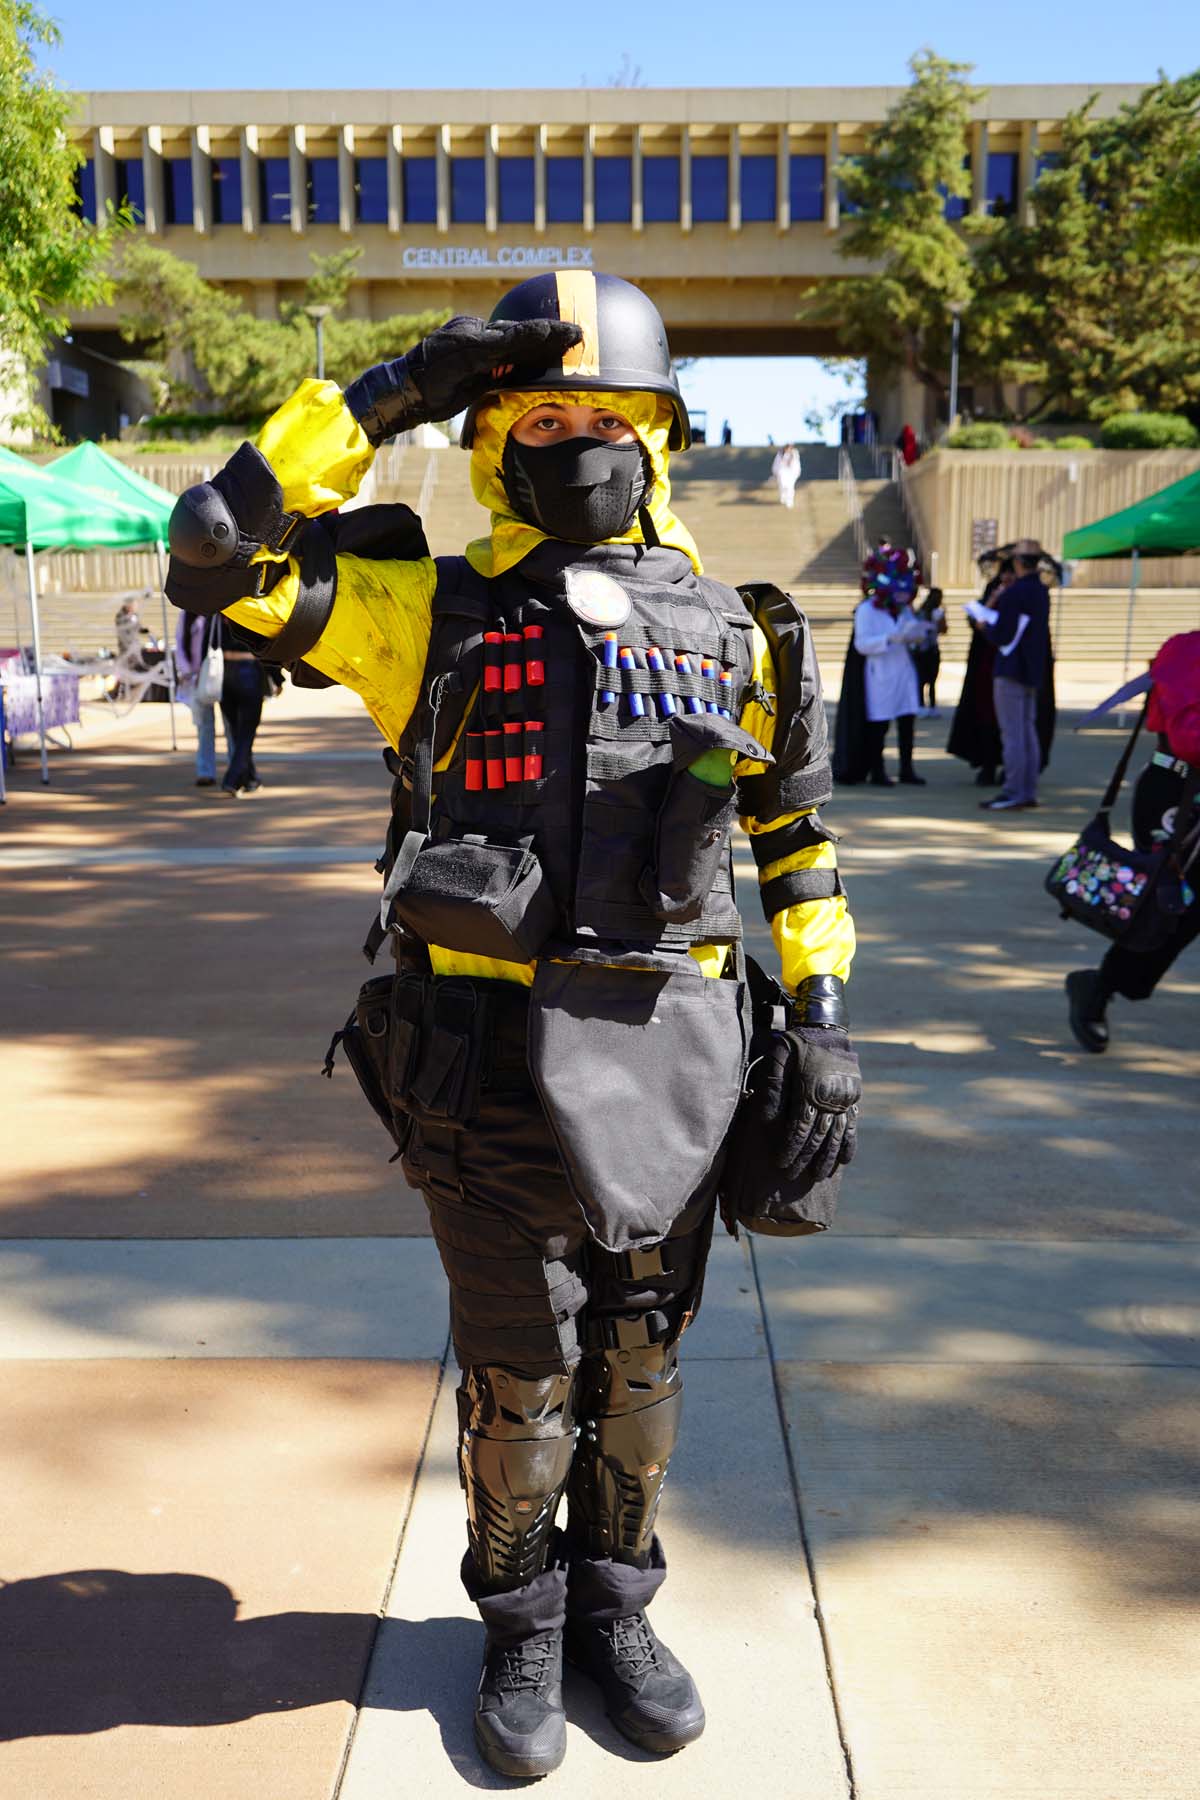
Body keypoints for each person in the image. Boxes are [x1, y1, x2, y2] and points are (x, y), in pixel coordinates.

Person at [163, 274, 861, 1780]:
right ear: (491, 444)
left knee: (642, 1369)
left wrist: (824, 1017)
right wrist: (393, 388)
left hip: (677, 1066)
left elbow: (795, 844)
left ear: (657, 436)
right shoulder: (429, 614)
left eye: (601, 414)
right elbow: (215, 554)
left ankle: (617, 1606)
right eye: (536, 413)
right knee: (523, 1387)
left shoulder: (746, 633)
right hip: (480, 1076)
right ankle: (522, 1620)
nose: (572, 436)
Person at [1066, 631, 1200, 1052]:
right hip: (1178, 799)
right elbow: (1189, 737)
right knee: (1168, 912)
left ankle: (1104, 985)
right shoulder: (1187, 648)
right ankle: (1100, 986)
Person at [967, 548, 1051, 812]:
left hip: (1011, 668)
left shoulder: (1016, 592)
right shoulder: (1040, 590)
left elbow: (1003, 634)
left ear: (1017, 563)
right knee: (1027, 732)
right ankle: (1027, 790)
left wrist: (984, 626)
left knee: (1014, 734)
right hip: (1030, 669)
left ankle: (1015, 791)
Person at [833, 570, 926, 785]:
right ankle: (877, 770)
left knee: (907, 720)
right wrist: (889, 638)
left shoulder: (902, 609)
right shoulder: (866, 610)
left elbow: (911, 632)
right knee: (879, 726)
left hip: (903, 671)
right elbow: (862, 644)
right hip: (880, 673)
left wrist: (917, 635)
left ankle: (907, 769)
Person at [215, 613, 266, 797]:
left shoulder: (219, 615)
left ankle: (250, 777)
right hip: (248, 672)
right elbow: (266, 648)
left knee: (237, 731)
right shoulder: (253, 614)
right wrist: (277, 679)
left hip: (225, 672)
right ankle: (232, 778)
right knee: (246, 730)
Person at [175, 609, 222, 788]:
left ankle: (237, 767)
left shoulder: (217, 610)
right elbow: (180, 643)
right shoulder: (186, 614)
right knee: (204, 726)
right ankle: (205, 770)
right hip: (197, 677)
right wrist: (187, 671)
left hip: (219, 672)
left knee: (229, 723)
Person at [913, 585, 947, 715]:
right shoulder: (933, 612)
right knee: (930, 679)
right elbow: (943, 629)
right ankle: (930, 706)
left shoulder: (923, 611)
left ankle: (923, 705)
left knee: (924, 679)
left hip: (924, 649)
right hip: (928, 649)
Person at [771, 442, 801, 509]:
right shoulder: (780, 454)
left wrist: (797, 472)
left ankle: (789, 501)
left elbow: (797, 465)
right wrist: (775, 472)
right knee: (782, 485)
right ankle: (783, 497)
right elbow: (776, 464)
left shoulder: (795, 454)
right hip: (782, 472)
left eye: (790, 448)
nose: (788, 449)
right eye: (787, 448)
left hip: (791, 473)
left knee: (790, 487)